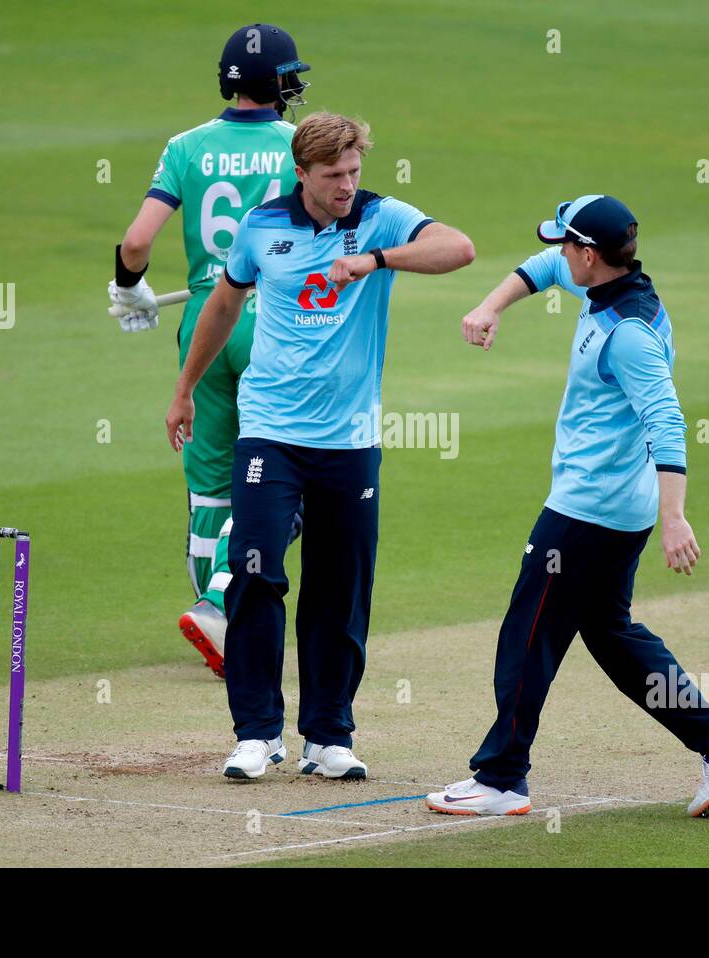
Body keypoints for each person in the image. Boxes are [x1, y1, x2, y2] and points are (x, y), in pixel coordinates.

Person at [426, 195, 709, 817]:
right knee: (612, 635)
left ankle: (501, 779)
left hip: (588, 511)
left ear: (590, 253)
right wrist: (489, 305)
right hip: (615, 508)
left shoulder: (627, 334)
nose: (557, 253)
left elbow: (667, 420)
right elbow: (543, 268)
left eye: (565, 244)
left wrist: (676, 516)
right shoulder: (614, 286)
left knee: (527, 638)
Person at [164, 112, 475, 780]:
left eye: (354, 172)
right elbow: (223, 304)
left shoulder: (381, 218)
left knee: (339, 588)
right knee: (254, 572)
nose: (346, 185)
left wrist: (375, 259)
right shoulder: (262, 226)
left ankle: (328, 737)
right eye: (333, 175)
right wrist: (185, 387)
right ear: (301, 172)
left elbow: (459, 248)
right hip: (269, 433)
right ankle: (255, 735)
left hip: (349, 441)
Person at [107, 24, 311, 679]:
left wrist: (129, 289)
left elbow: (136, 242)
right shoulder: (295, 146)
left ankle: (211, 611)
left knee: (211, 484)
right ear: (276, 86)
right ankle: (223, 602)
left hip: (202, 318)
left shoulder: (186, 147)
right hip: (270, 319)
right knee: (295, 471)